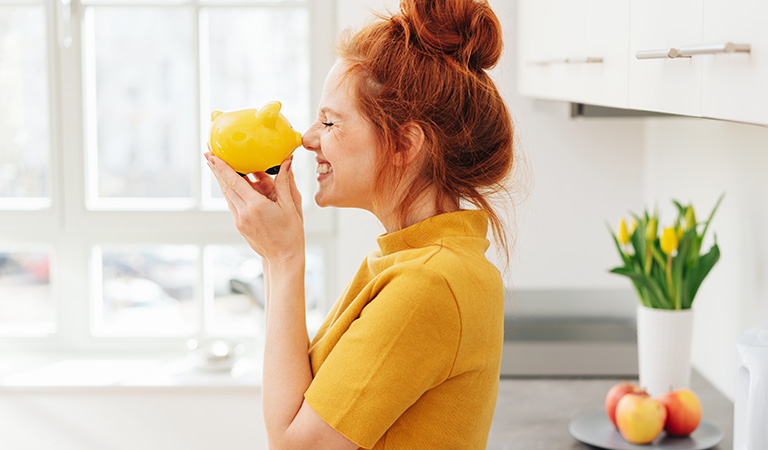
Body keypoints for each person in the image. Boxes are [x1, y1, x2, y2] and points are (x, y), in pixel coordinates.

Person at [205, 0, 516, 448]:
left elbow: (295, 445)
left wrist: (284, 256)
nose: (309, 138)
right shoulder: (413, 262)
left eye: (330, 122)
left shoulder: (428, 284)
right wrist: (275, 257)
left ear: (404, 144)